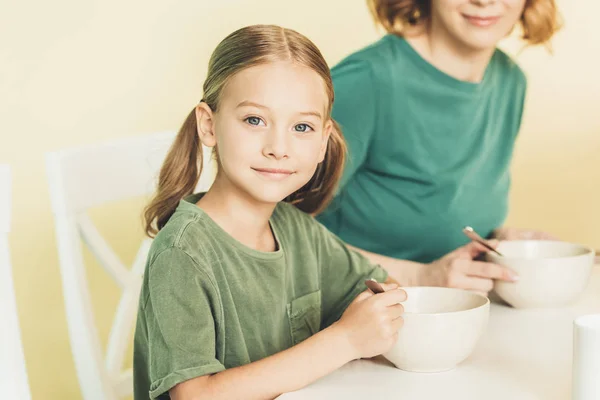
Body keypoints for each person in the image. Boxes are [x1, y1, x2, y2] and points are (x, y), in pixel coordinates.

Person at [133, 25, 406, 400]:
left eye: (302, 127)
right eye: (254, 120)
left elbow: (384, 290)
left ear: (324, 140)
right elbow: (194, 396)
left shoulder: (296, 228)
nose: (279, 147)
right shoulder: (182, 254)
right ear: (208, 125)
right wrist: (345, 340)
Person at [316, 0, 561, 294]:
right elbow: (278, 227)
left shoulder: (511, 81)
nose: (484, 1)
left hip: (450, 313)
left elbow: (440, 212)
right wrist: (419, 277)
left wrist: (494, 243)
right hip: (353, 311)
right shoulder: (366, 80)